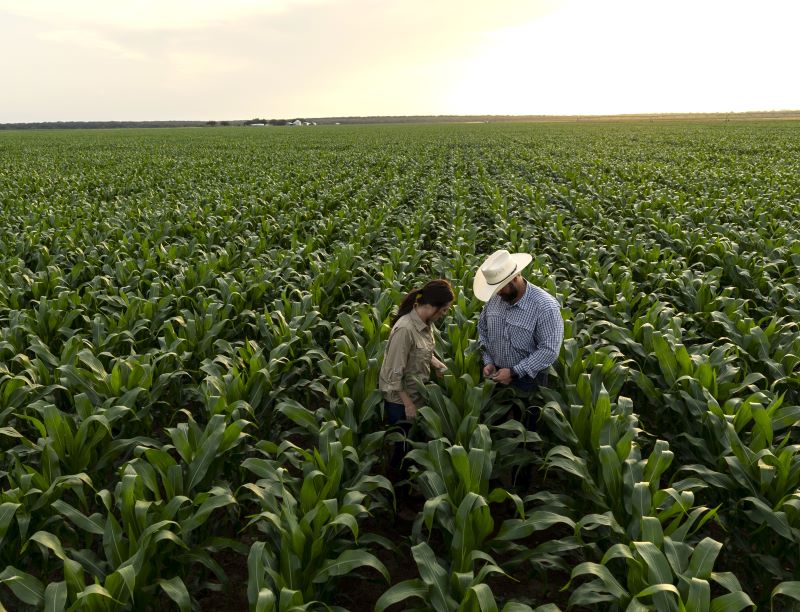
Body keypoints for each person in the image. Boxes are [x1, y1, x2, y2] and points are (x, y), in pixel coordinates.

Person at [378, 279, 454, 494]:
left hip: (416, 394)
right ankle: (393, 494)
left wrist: (439, 365)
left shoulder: (425, 324)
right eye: (444, 309)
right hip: (400, 400)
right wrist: (408, 404)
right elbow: (394, 373)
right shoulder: (405, 329)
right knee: (402, 449)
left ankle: (407, 486)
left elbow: (422, 353)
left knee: (411, 446)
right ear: (431, 306)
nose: (445, 314)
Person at [474, 248, 563, 409]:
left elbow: (549, 350)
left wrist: (514, 372)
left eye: (500, 287)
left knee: (527, 425)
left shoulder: (544, 306)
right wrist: (488, 361)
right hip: (497, 376)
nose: (498, 293)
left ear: (515, 278)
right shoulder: (494, 299)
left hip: (530, 380)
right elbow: (483, 330)